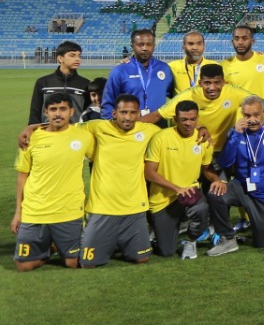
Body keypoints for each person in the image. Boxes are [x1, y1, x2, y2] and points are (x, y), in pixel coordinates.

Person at [12, 93, 94, 271]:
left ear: (71, 111)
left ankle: (57, 245)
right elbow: (22, 177)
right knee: (23, 266)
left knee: (75, 263)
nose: (58, 114)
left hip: (69, 210)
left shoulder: (83, 136)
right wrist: (18, 212)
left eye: (63, 109)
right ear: (45, 112)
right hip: (35, 210)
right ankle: (49, 248)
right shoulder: (30, 139)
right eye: (53, 110)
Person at [80, 95, 161, 267]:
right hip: (103, 207)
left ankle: (116, 239)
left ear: (138, 114)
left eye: (132, 113)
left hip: (134, 207)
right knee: (88, 262)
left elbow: (176, 133)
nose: (128, 117)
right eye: (123, 112)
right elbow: (67, 129)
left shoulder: (148, 130)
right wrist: (32, 128)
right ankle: (103, 237)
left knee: (142, 258)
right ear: (114, 113)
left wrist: (201, 128)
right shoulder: (98, 127)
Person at [208, 95, 264, 254]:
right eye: (247, 115)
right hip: (242, 187)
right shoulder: (237, 132)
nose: (252, 119)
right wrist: (236, 135)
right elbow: (225, 162)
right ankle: (228, 238)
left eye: (256, 115)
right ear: (242, 114)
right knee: (215, 193)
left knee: (263, 244)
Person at [143, 100, 216, 260]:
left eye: (192, 119)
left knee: (201, 208)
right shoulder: (161, 138)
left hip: (189, 193)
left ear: (197, 118)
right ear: (175, 119)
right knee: (167, 251)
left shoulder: (203, 140)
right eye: (184, 119)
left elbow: (207, 169)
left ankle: (191, 241)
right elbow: (149, 172)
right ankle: (158, 229)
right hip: (162, 200)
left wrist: (217, 179)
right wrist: (177, 189)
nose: (188, 123)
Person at [148, 65, 248, 154]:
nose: (212, 87)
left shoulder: (234, 92)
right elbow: (157, 115)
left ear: (224, 82)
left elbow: (259, 103)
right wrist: (134, 125)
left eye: (217, 83)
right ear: (200, 83)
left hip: (226, 149)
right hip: (197, 147)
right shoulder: (189, 95)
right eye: (207, 83)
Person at [101, 29, 174, 119]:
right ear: (132, 46)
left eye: (149, 44)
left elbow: (173, 95)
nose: (145, 48)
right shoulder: (120, 70)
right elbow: (108, 103)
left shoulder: (164, 68)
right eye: (140, 44)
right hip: (130, 125)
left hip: (158, 125)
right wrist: (111, 126)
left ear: (154, 46)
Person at [28, 40, 90, 125]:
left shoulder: (85, 84)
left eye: (79, 56)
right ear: (60, 58)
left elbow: (88, 113)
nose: (77, 59)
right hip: (49, 133)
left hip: (75, 133)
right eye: (72, 55)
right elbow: (35, 111)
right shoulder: (43, 82)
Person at [221, 25, 264, 99]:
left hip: (261, 109)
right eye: (236, 39)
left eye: (245, 38)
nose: (240, 42)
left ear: (252, 41)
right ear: (232, 42)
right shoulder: (224, 65)